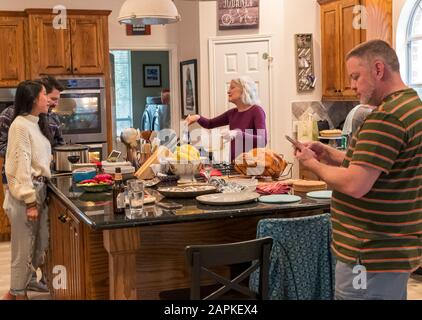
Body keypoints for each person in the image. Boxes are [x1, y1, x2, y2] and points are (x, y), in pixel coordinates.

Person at [295, 40, 422, 300]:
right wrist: (329, 153)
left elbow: (356, 184)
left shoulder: (386, 117)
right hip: (392, 250)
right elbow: (376, 169)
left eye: (356, 76)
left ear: (378, 69)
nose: (352, 85)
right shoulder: (412, 107)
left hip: (368, 253)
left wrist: (312, 164)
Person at [0, 76, 64, 294]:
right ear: (33, 99)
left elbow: (38, 158)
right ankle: (14, 293)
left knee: (39, 246)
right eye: (45, 95)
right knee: (23, 251)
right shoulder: (19, 126)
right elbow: (19, 168)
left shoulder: (35, 123)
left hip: (39, 190)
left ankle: (25, 284)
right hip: (26, 196)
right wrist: (30, 202)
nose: (49, 100)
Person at [186, 76, 267, 162]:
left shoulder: (256, 111)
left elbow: (262, 140)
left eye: (232, 87)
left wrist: (236, 133)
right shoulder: (232, 113)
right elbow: (210, 124)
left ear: (244, 90)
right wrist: (197, 117)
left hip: (251, 166)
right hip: (234, 165)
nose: (228, 91)